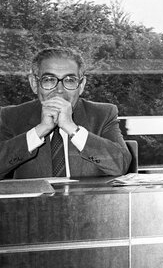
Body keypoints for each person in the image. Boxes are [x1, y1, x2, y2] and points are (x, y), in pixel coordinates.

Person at [0, 47, 130, 179]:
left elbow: (121, 165)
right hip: (34, 201)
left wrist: (72, 128)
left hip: (86, 199)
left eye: (69, 80)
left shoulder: (103, 114)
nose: (60, 90)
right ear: (34, 83)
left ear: (81, 85)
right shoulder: (10, 116)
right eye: (49, 80)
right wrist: (39, 131)